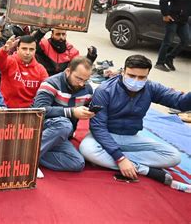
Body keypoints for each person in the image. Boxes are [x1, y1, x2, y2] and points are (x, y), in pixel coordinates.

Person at [79, 55, 191, 193]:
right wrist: (120, 159)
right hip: (105, 136)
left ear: (147, 76)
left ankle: (113, 159)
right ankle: (145, 169)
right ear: (123, 72)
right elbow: (97, 127)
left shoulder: (151, 88)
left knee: (174, 156)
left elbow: (179, 102)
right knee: (87, 149)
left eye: (142, 77)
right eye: (131, 75)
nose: (136, 81)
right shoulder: (104, 90)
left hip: (131, 138)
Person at [33, 56, 94, 172]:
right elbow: (39, 110)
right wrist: (71, 112)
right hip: (41, 129)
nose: (82, 84)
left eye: (85, 80)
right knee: (64, 124)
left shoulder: (88, 90)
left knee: (78, 163)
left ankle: (33, 155)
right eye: (78, 79)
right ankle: (27, 157)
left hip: (62, 135)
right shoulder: (51, 83)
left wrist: (90, 113)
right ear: (68, 71)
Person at [0, 35, 48, 108]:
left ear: (35, 51)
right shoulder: (10, 61)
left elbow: (45, 91)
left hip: (30, 110)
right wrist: (4, 50)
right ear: (17, 49)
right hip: (6, 108)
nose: (28, 53)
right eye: (24, 49)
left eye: (31, 49)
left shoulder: (41, 69)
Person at [155, 0, 191, 72]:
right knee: (168, 41)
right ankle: (160, 63)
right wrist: (165, 14)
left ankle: (169, 57)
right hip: (173, 18)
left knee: (186, 40)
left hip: (183, 20)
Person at [33, 28, 97, 76]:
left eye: (63, 34)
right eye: (58, 34)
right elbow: (31, 44)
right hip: (42, 76)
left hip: (62, 80)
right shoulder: (44, 44)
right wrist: (41, 32)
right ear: (52, 35)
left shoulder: (71, 50)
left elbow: (79, 66)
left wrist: (90, 56)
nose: (61, 37)